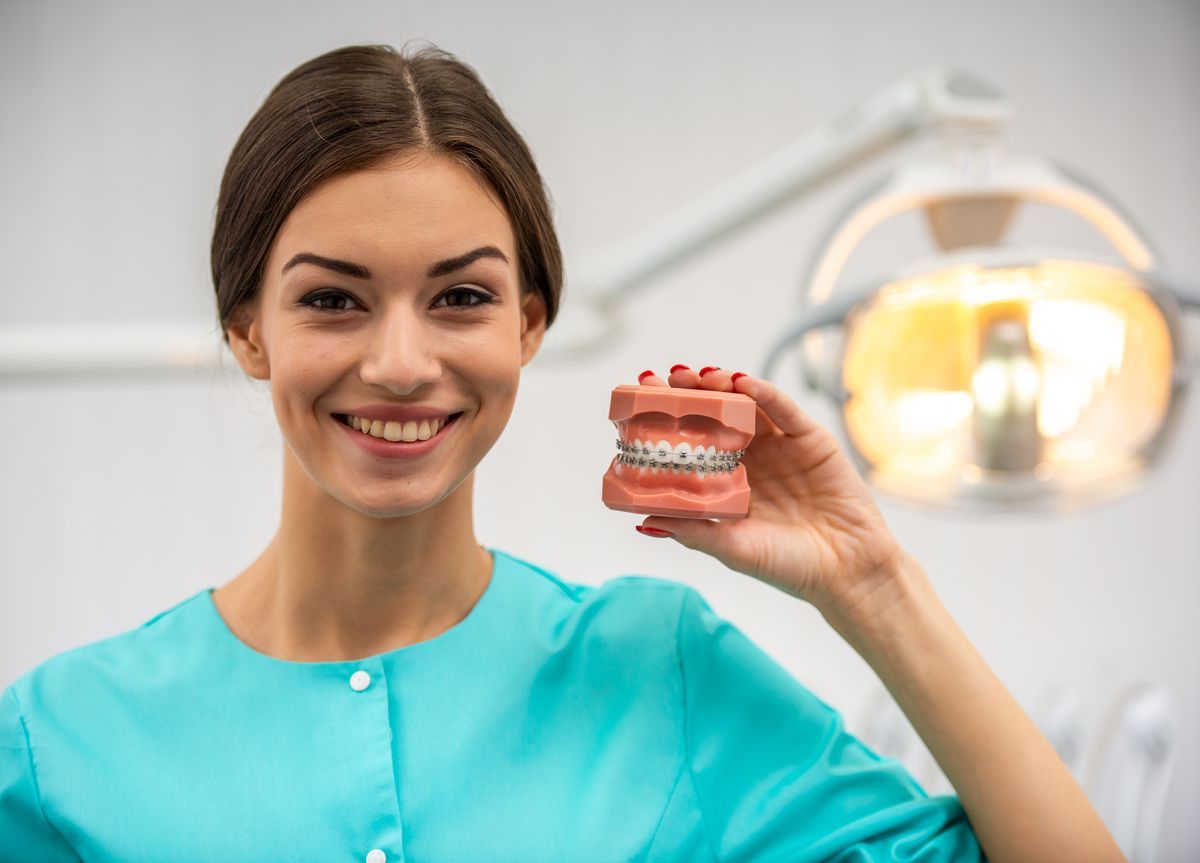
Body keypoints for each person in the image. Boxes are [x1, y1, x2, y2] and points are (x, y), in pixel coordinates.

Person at [0, 42, 1123, 863]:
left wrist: (874, 583)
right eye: (334, 298)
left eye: (462, 296)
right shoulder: (58, 741)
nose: (399, 361)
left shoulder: (657, 670)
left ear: (529, 323)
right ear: (248, 329)